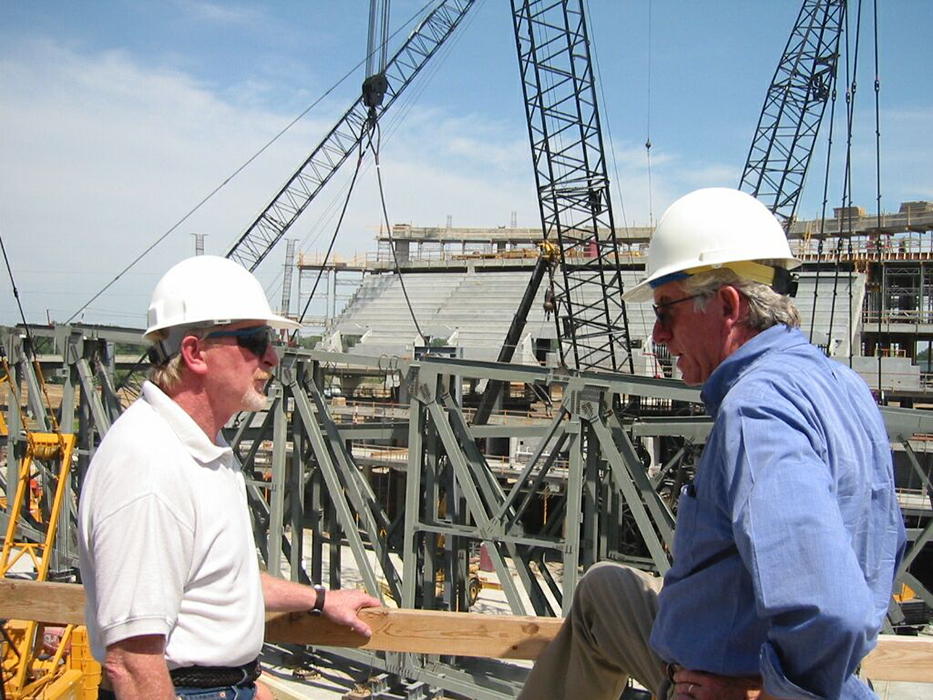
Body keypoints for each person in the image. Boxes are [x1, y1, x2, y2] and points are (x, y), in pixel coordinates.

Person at [519, 188, 906, 700]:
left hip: (728, 684)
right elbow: (884, 545)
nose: (658, 335)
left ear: (726, 305)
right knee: (604, 591)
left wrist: (766, 690)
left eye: (666, 311)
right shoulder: (846, 386)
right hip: (765, 661)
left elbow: (831, 610)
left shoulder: (756, 408)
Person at [77, 255, 381, 700]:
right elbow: (133, 664)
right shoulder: (150, 466)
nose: (273, 357)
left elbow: (214, 579)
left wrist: (319, 601)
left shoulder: (198, 448)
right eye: (256, 340)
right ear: (195, 353)